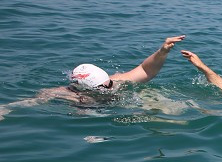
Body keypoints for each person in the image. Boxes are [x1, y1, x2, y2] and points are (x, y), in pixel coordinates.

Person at [0, 35, 187, 121]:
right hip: (90, 113)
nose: (111, 86)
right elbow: (32, 102)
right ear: (85, 87)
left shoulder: (116, 82)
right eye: (105, 86)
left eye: (109, 82)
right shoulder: (67, 95)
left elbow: (146, 70)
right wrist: (6, 108)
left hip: (118, 109)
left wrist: (162, 51)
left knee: (174, 112)